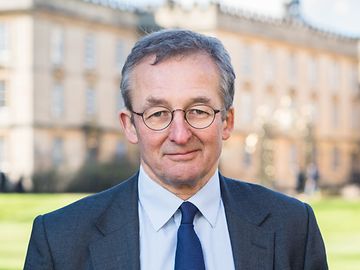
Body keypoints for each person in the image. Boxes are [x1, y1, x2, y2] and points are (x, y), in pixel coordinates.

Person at [24, 29, 328, 270]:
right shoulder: (60, 239)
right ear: (129, 125)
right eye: (158, 114)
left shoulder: (292, 227)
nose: (180, 135)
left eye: (198, 110)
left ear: (227, 121)